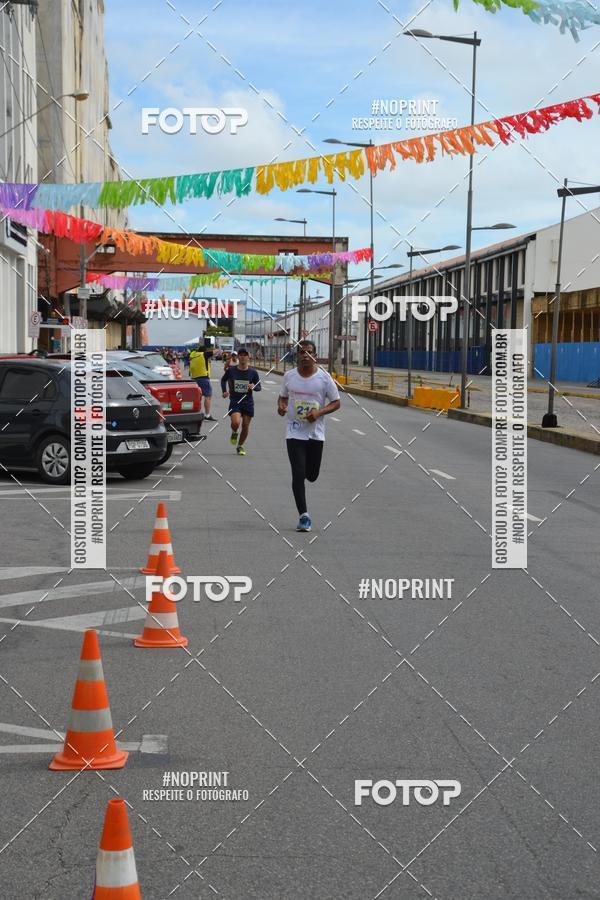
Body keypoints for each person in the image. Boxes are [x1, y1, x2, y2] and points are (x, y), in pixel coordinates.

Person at [277, 340, 340, 532]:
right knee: (297, 475)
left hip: (315, 433)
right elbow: (283, 396)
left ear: (315, 354)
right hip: (295, 431)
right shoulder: (289, 376)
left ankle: (307, 475)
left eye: (309, 352)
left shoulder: (324, 378)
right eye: (302, 352)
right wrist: (280, 406)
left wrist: (319, 413)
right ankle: (304, 516)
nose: (305, 355)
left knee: (311, 475)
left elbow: (336, 402)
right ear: (297, 355)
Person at [221, 347, 261, 455]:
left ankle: (240, 446)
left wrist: (253, 387)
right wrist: (224, 391)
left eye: (245, 355)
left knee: (245, 426)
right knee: (236, 422)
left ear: (248, 357)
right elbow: (223, 379)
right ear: (238, 357)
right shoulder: (231, 370)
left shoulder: (253, 372)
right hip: (235, 401)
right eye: (241, 355)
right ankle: (234, 432)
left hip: (248, 402)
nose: (243, 357)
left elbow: (259, 387)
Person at [189, 342, 216, 421]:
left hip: (194, 379)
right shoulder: (203, 354)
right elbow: (215, 351)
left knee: (196, 397)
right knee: (208, 396)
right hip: (203, 377)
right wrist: (215, 348)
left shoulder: (193, 355)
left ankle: (194, 413)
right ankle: (207, 415)